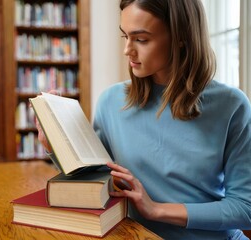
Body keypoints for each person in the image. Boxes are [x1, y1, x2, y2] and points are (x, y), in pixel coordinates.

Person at [36, 0, 251, 239]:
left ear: (181, 37)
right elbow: (98, 181)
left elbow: (245, 208)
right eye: (124, 37)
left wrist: (157, 210)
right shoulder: (111, 101)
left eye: (141, 39)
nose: (128, 49)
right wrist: (55, 145)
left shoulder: (232, 106)